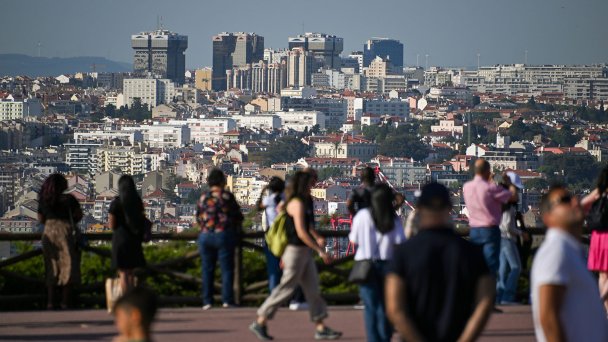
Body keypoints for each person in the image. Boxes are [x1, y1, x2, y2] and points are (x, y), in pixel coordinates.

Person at [385, 182, 495, 342]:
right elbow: (486, 301)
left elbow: (394, 308)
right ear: (449, 207)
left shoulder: (404, 253)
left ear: (420, 208)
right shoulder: (472, 252)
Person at [249, 171, 342, 341]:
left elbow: (307, 226)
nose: (314, 185)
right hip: (295, 251)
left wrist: (317, 237)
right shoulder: (296, 203)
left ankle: (320, 327)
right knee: (286, 288)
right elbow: (300, 231)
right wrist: (320, 250)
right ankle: (261, 319)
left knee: (313, 290)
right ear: (304, 184)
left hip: (304, 251)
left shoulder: (306, 201)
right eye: (311, 183)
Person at [531, 186, 608, 341]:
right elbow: (548, 317)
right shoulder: (556, 250)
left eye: (572, 197)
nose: (573, 201)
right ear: (548, 217)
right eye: (564, 200)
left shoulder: (568, 249)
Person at [349, 184, 406, 342]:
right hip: (388, 265)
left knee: (370, 306)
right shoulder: (393, 219)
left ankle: (373, 339)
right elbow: (400, 243)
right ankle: (384, 336)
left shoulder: (362, 216)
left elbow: (353, 239)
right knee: (386, 305)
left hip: (365, 265)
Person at [196, 168, 243, 310]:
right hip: (223, 235)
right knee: (227, 269)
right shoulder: (227, 196)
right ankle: (227, 300)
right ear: (222, 181)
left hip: (205, 236)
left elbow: (198, 217)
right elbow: (238, 216)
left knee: (207, 269)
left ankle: (207, 301)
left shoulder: (204, 197)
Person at [38, 173, 83, 309]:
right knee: (67, 265)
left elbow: (40, 218)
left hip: (49, 232)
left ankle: (51, 302)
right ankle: (64, 302)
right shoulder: (69, 199)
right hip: (65, 232)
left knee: (51, 265)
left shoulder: (44, 200)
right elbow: (78, 215)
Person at [463, 159, 514, 275]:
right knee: (490, 267)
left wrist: (489, 179)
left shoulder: (467, 187)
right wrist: (509, 183)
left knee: (476, 264)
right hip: (490, 229)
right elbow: (513, 197)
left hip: (474, 230)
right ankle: (489, 291)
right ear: (487, 171)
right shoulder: (491, 188)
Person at [109, 175, 147, 293]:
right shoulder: (137, 202)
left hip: (120, 239)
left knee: (123, 273)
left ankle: (126, 298)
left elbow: (112, 225)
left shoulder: (116, 204)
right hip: (134, 239)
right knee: (131, 272)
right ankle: (132, 296)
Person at [497, 171, 529, 305]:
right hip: (506, 238)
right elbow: (505, 226)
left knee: (503, 270)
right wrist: (521, 233)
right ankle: (507, 297)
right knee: (516, 268)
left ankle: (499, 298)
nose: (517, 193)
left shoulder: (502, 202)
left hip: (502, 237)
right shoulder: (507, 204)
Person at [581, 166, 608, 313]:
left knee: (603, 275)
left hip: (597, 237)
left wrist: (590, 215)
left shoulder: (599, 192)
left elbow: (582, 205)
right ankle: (600, 301)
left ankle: (604, 309)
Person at [256, 176, 285, 292]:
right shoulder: (286, 199)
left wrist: (264, 190)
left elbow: (258, 206)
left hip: (271, 236)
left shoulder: (268, 200)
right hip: (284, 236)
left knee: (273, 269)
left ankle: (273, 295)